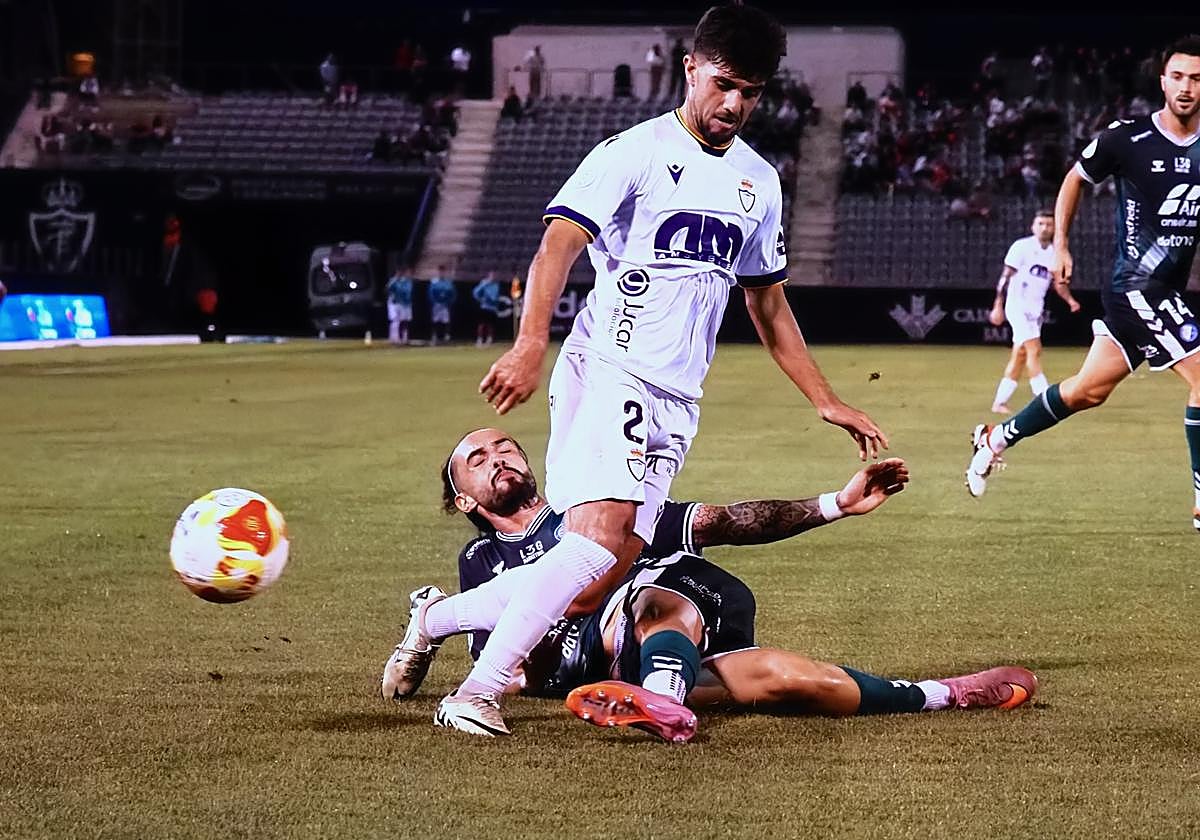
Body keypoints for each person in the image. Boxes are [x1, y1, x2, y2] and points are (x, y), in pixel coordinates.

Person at [434, 4, 886, 738]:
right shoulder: (632, 152)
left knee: (596, 578)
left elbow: (767, 304)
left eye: (753, 91)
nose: (735, 104)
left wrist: (826, 399)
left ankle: (436, 619)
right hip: (611, 367)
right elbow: (558, 246)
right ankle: (478, 693)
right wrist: (528, 344)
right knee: (593, 542)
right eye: (725, 83)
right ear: (691, 68)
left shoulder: (759, 182)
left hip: (676, 397)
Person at [380, 429, 1037, 741]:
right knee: (690, 612)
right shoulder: (480, 566)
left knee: (775, 666)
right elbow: (513, 670)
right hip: (589, 675)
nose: (499, 458)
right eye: (477, 458)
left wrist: (835, 503)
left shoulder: (599, 512)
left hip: (658, 643)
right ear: (464, 499)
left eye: (505, 446)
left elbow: (726, 521)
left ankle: (944, 695)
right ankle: (659, 699)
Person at [966, 36, 1200, 517]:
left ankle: (995, 438)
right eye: (1177, 76)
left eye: (1196, 78)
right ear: (1162, 81)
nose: (1186, 87)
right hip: (1137, 286)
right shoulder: (1127, 138)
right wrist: (1064, 246)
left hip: (1165, 290)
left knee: (1087, 390)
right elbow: (1075, 178)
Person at [986, 210, 1081, 413]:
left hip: (1034, 310)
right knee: (1034, 350)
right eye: (1041, 224)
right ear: (1033, 226)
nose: (1045, 228)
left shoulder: (1056, 252)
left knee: (1020, 355)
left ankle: (999, 402)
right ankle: (1044, 398)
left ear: (1054, 228)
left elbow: (1058, 283)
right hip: (1017, 306)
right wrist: (998, 305)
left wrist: (1070, 300)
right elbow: (1005, 277)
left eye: (1048, 224)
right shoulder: (1021, 247)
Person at [386, 266, 414, 345]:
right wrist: (395, 280)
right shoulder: (394, 281)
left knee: (405, 321)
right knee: (395, 321)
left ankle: (404, 338)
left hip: (405, 304)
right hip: (395, 304)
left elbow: (407, 292)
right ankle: (394, 338)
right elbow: (388, 289)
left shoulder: (407, 282)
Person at [428, 268, 456, 346]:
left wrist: (449, 302)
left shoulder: (448, 282)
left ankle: (446, 336)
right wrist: (434, 302)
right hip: (436, 305)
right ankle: (434, 336)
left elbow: (452, 293)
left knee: (446, 320)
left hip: (445, 305)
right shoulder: (434, 282)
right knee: (435, 320)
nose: (441, 274)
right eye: (440, 272)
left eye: (443, 272)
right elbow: (430, 293)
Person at [472, 271, 500, 347]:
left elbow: (496, 296)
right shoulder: (484, 283)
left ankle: (489, 339)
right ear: (489, 276)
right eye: (492, 275)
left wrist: (495, 302)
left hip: (493, 308)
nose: (493, 277)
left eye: (494, 276)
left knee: (491, 325)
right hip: (484, 307)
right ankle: (480, 339)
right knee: (482, 324)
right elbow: (475, 292)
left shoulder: (496, 285)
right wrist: (481, 299)